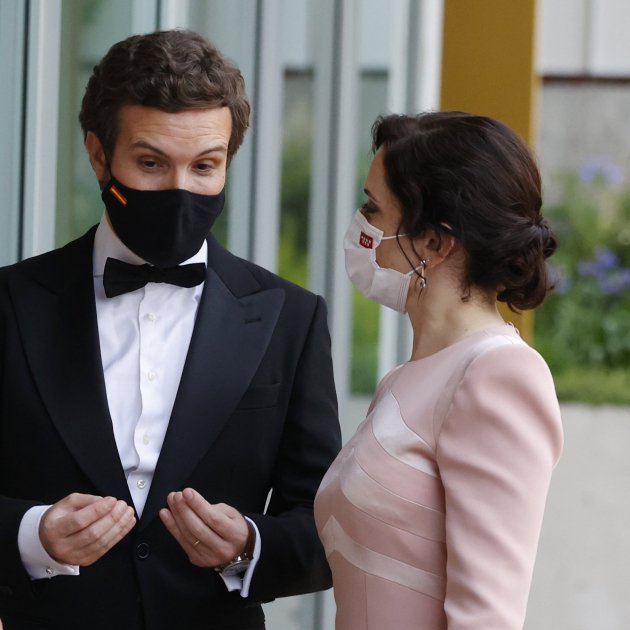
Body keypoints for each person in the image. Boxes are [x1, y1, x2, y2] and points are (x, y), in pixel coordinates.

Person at [0, 29, 341, 630]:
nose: (180, 189)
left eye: (205, 166)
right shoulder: (9, 303)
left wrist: (249, 546)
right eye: (152, 163)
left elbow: (326, 527)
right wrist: (33, 535)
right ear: (99, 156)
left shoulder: (291, 317)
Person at [314, 111, 563, 629]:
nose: (360, 227)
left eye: (373, 208)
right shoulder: (407, 378)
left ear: (433, 242)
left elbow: (486, 619)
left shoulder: (498, 376)